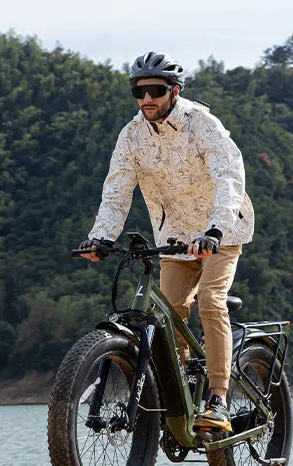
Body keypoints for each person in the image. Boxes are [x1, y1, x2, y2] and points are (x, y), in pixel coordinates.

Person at [77, 51, 255, 432]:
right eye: (139, 92)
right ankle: (183, 396)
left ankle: (219, 400)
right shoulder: (132, 136)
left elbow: (229, 176)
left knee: (211, 301)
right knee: (168, 314)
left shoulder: (200, 124)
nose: (147, 99)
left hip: (221, 232)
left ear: (174, 91)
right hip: (174, 237)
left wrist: (215, 229)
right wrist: (101, 237)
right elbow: (116, 192)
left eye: (156, 90)